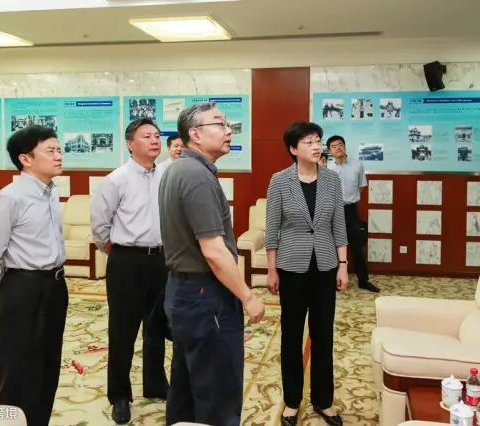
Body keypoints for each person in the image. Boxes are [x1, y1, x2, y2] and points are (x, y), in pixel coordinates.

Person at [159, 102, 265, 426]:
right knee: (218, 392)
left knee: (187, 386)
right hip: (205, 295)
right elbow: (214, 252)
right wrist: (247, 296)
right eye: (219, 124)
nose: (228, 130)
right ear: (194, 134)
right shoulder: (197, 177)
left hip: (184, 291)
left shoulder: (177, 169)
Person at [0, 125, 68, 426]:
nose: (58, 156)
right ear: (25, 159)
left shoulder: (50, 192)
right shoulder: (10, 198)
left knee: (48, 363)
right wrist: (1, 288)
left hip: (55, 285)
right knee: (20, 368)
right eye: (50, 151)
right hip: (23, 287)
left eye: (59, 150)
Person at [265, 122, 348, 426]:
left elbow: (339, 224)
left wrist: (343, 264)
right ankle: (291, 401)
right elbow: (272, 229)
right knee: (291, 334)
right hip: (291, 268)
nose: (316, 146)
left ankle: (323, 400)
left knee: (323, 335)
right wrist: (272, 269)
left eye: (318, 140)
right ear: (293, 149)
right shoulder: (279, 181)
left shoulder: (332, 179)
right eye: (309, 142)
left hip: (325, 265)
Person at [90, 118, 169, 424]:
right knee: (123, 330)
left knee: (157, 325)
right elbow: (100, 225)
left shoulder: (166, 175)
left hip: (160, 260)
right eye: (146, 136)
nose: (154, 140)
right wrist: (116, 251)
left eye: (157, 135)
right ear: (129, 143)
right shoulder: (116, 179)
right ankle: (120, 395)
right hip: (127, 261)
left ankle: (155, 383)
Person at [327, 135, 380, 293]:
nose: (338, 148)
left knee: (357, 246)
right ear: (330, 151)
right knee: (331, 247)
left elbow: (361, 187)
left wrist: (349, 199)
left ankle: (363, 281)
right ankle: (332, 281)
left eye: (340, 144)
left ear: (344, 146)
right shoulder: (327, 168)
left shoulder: (357, 164)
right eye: (333, 146)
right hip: (332, 210)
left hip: (351, 210)